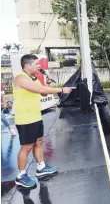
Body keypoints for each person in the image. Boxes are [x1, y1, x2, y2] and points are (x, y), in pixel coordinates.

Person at [13, 54, 72, 188]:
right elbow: (40, 89)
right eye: (36, 64)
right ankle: (20, 176)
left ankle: (41, 167)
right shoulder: (20, 78)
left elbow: (43, 92)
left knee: (39, 142)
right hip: (25, 119)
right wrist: (61, 89)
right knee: (26, 147)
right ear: (27, 65)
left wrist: (48, 83)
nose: (39, 66)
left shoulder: (33, 78)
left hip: (36, 116)